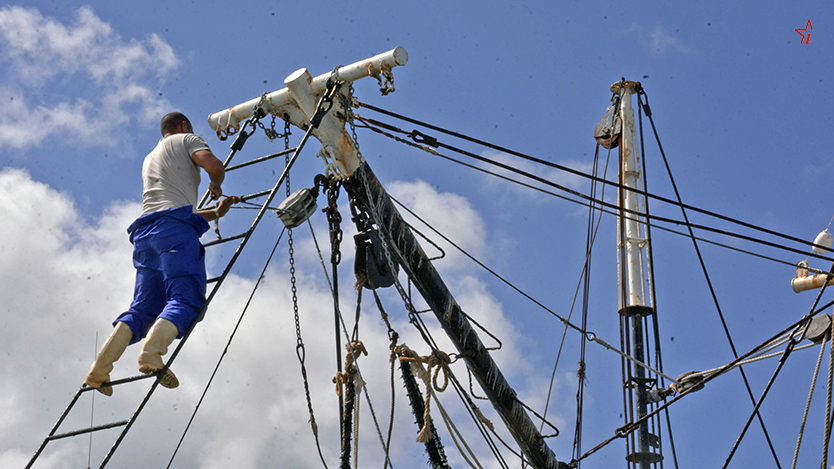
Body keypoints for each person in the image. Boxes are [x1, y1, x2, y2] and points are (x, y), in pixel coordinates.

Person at [84, 112, 239, 396]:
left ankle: (98, 370)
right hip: (173, 231)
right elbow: (215, 166)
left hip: (145, 236)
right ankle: (152, 354)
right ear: (183, 126)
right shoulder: (187, 139)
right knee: (186, 299)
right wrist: (216, 186)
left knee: (142, 310)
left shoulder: (151, 156)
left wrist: (215, 214)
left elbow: (169, 207)